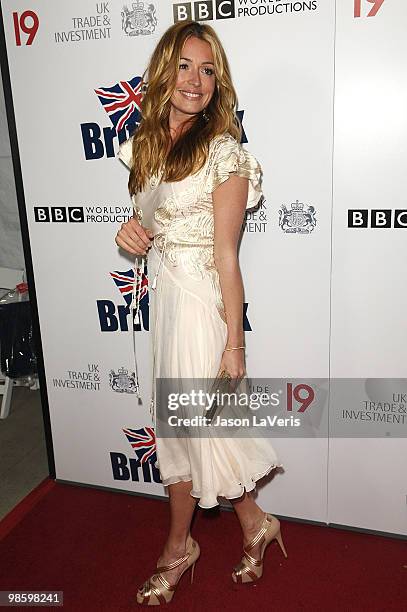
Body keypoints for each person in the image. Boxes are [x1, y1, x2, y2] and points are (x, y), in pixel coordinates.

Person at [115, 20, 287, 606]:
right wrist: (131, 234)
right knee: (189, 434)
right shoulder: (143, 149)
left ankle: (177, 549)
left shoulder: (224, 154)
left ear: (220, 82)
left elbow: (227, 257)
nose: (196, 80)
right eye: (186, 66)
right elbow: (148, 223)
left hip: (200, 308)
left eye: (208, 69)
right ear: (165, 71)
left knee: (198, 434)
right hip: (163, 305)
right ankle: (255, 526)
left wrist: (234, 345)